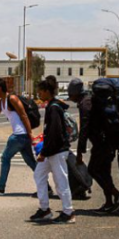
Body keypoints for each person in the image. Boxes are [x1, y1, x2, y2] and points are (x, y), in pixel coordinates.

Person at [67, 78, 119, 214]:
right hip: (108, 141)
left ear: (75, 94)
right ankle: (109, 202)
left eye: (71, 96)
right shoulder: (90, 99)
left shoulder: (85, 104)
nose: (71, 99)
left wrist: (80, 152)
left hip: (103, 142)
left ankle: (117, 194)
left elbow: (85, 128)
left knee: (94, 170)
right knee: (104, 171)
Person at [29, 76, 75, 224]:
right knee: (39, 175)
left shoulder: (54, 108)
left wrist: (44, 153)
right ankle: (45, 209)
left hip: (57, 151)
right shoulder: (52, 106)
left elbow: (55, 133)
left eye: (40, 92)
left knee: (61, 181)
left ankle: (68, 212)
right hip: (51, 151)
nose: (39, 95)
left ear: (47, 91)